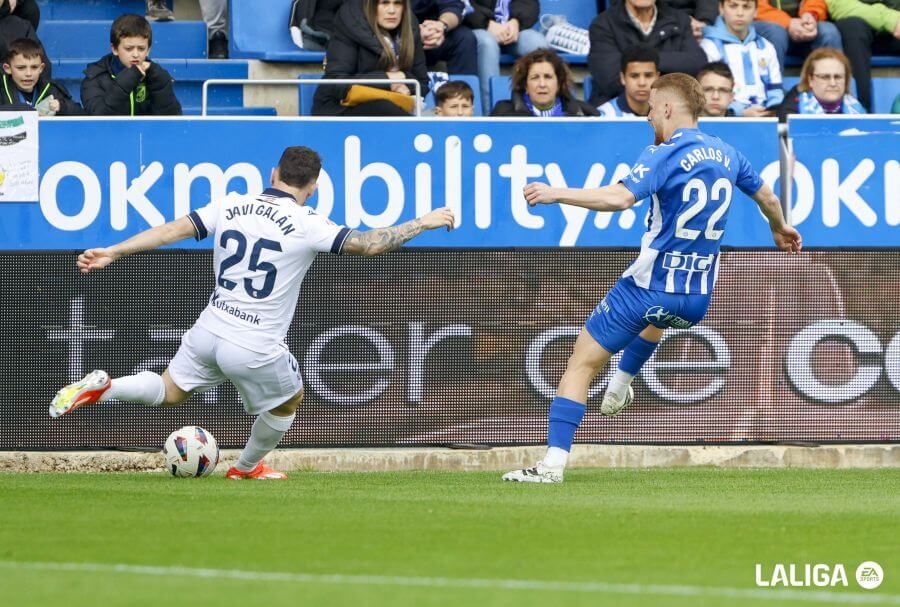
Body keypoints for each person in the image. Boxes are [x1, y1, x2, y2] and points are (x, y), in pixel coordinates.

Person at [49, 146, 456, 480]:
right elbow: (369, 244)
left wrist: (114, 251)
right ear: (312, 187)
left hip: (210, 326)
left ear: (272, 172)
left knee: (169, 389)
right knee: (288, 400)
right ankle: (245, 469)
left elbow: (172, 229)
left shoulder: (232, 204)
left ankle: (108, 388)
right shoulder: (307, 221)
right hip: (254, 341)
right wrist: (423, 221)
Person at [502, 73, 802, 483]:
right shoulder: (729, 153)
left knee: (580, 363)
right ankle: (622, 382)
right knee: (658, 316)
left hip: (648, 285)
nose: (647, 117)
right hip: (696, 299)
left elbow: (619, 197)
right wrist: (780, 227)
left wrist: (557, 193)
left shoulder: (663, 152)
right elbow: (768, 197)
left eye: (650, 108)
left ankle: (551, 465)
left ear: (666, 107)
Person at [312, 0, 429, 116]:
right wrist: (388, 79)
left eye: (397, 3)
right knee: (385, 108)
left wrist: (405, 83)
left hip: (392, 105)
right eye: (384, 3)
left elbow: (422, 84)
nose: (392, 10)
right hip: (338, 109)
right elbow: (337, 82)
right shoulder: (350, 19)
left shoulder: (410, 25)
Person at [587, 0, 708, 106]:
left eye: (650, 74)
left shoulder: (680, 20)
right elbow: (610, 80)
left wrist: (642, 61)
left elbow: (696, 64)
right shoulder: (603, 24)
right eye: (635, 75)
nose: (642, 81)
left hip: (671, 110)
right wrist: (664, 68)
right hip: (617, 111)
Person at [81, 14, 182, 116]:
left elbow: (172, 120)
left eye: (141, 48)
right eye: (129, 48)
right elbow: (99, 118)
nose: (135, 54)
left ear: (148, 50)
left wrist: (160, 84)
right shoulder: (95, 78)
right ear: (114, 49)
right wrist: (129, 78)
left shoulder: (157, 76)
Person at [701, 0, 784, 117]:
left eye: (746, 7)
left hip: (764, 116)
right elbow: (710, 93)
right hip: (726, 118)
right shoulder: (710, 46)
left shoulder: (766, 46)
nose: (740, 13)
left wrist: (771, 108)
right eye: (733, 6)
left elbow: (775, 89)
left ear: (755, 11)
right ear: (721, 8)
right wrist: (739, 113)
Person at [464, 0, 550, 111]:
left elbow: (530, 4)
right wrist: (486, 23)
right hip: (478, 28)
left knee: (537, 43)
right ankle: (493, 113)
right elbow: (461, 3)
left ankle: (538, 112)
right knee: (487, 44)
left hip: (513, 29)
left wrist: (516, 21)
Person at [827, 0, 900, 112]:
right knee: (852, 27)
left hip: (893, 31)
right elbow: (837, 4)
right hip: (856, 27)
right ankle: (860, 111)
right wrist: (892, 19)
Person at [491, 49, 600, 117]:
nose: (542, 84)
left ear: (559, 83)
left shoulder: (583, 114)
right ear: (525, 85)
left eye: (548, 77)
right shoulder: (502, 114)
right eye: (535, 78)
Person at [753, 0, 843, 72]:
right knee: (776, 32)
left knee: (828, 32)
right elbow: (752, 6)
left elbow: (815, 2)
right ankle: (773, 90)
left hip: (802, 26)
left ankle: (834, 89)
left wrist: (810, 15)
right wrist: (788, 23)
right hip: (767, 27)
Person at [776, 47, 864, 119]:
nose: (833, 83)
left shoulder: (856, 109)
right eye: (825, 77)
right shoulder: (792, 109)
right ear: (810, 80)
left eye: (838, 77)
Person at [1, 38, 81, 115]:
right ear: (7, 69)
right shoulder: (2, 89)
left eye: (34, 67)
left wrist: (61, 106)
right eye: (21, 68)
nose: (28, 73)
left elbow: (81, 114)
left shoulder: (51, 88)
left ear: (41, 68)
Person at [413, 0, 478, 75]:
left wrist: (441, 25)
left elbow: (453, 6)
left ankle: (461, 85)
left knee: (464, 38)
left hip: (433, 34)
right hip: (402, 36)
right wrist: (415, 32)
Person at [597, 45, 659, 117]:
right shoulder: (605, 116)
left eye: (648, 75)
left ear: (657, 77)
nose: (642, 83)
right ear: (623, 78)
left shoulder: (670, 114)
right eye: (634, 76)